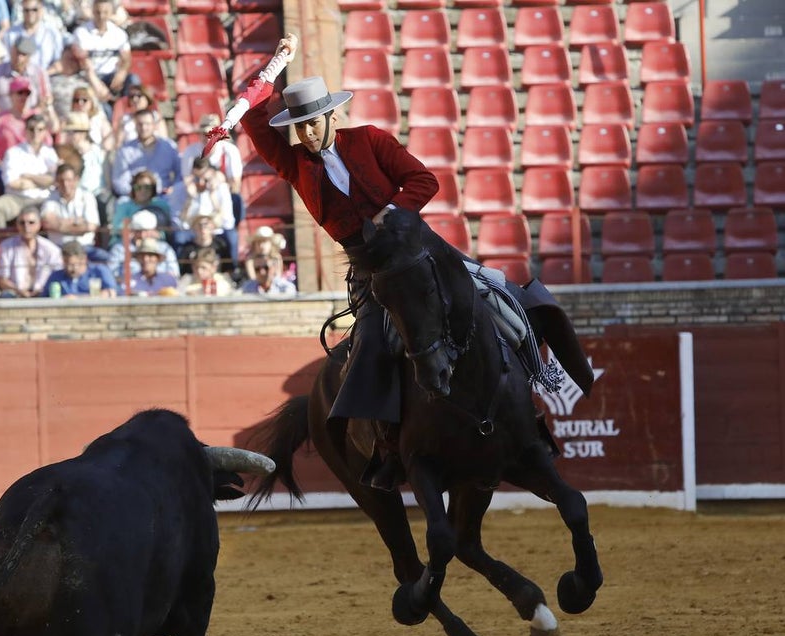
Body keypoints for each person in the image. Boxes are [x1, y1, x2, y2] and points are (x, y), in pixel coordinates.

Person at [232, 34, 591, 489]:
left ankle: (537, 387)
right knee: (369, 349)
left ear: (331, 116)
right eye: (297, 126)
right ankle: (387, 448)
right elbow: (256, 120)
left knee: (499, 290)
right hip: (370, 273)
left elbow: (424, 180)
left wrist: (393, 212)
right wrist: (269, 72)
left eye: (310, 123)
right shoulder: (293, 164)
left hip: (419, 250)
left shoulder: (369, 140)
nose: (304, 133)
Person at [0, 114, 60, 230]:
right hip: (17, 199)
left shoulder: (50, 153)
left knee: (58, 206)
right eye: (31, 129)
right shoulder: (13, 153)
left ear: (45, 132)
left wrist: (28, 176)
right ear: (25, 131)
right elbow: (11, 183)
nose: (35, 133)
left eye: (40, 129)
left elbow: (55, 180)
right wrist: (43, 181)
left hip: (44, 199)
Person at [67, 0, 135, 113]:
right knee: (103, 106)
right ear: (93, 12)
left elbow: (126, 59)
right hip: (90, 77)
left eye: (105, 12)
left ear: (111, 13)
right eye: (98, 12)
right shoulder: (81, 33)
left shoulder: (119, 33)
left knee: (133, 80)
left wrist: (121, 73)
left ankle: (130, 115)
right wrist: (97, 84)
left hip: (112, 75)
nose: (101, 16)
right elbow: (84, 63)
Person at [110, 107, 181, 198]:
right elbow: (119, 180)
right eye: (140, 124)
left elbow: (180, 173)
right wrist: (136, 194)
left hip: (164, 197)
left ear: (154, 125)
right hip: (134, 198)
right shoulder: (125, 151)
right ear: (135, 126)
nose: (144, 127)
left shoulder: (169, 147)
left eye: (147, 124)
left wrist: (174, 188)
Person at [167, 156, 235, 249]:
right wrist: (189, 199)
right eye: (197, 179)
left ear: (212, 174)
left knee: (232, 237)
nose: (201, 183)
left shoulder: (222, 189)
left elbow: (228, 222)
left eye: (206, 179)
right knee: (179, 237)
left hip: (215, 231)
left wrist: (213, 198)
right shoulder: (179, 190)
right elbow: (179, 224)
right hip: (191, 232)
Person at [0, 205, 62, 297]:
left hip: (44, 293)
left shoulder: (51, 249)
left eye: (31, 222)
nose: (26, 227)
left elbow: (58, 275)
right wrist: (19, 291)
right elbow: (2, 279)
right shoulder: (6, 247)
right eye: (22, 223)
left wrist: (42, 290)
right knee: (6, 295)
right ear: (17, 225)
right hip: (15, 293)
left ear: (39, 225)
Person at [0, 36, 54, 118]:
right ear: (12, 51)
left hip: (31, 120)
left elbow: (45, 100)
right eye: (17, 52)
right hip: (1, 119)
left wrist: (30, 115)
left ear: (29, 56)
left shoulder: (39, 73)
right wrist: (7, 117)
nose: (19, 58)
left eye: (23, 54)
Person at [106, 207, 179, 280]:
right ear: (133, 232)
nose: (143, 235)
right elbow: (111, 275)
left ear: (154, 231)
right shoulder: (120, 249)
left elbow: (174, 274)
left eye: (146, 231)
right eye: (139, 231)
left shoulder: (165, 249)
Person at [40, 163, 99, 250]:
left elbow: (91, 227)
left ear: (76, 180)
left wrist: (59, 224)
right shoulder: (50, 197)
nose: (65, 184)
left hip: (84, 248)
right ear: (56, 181)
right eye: (61, 181)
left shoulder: (87, 196)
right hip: (57, 249)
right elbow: (47, 224)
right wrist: (77, 222)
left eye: (69, 180)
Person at [3, 0, 67, 75]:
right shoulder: (10, 34)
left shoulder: (52, 33)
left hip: (47, 78)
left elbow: (58, 63)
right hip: (16, 79)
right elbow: (5, 62)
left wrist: (41, 77)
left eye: (34, 10)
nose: (30, 13)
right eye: (26, 10)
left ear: (42, 9)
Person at [41, 240, 117, 297]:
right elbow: (45, 298)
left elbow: (111, 293)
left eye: (74, 264)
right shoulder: (56, 277)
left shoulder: (99, 271)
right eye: (66, 264)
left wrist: (78, 299)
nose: (70, 269)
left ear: (84, 259)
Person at [177, 213, 235, 280]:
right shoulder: (187, 248)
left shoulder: (221, 245)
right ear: (194, 227)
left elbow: (228, 269)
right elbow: (182, 272)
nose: (202, 228)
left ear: (213, 227)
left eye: (206, 224)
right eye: (199, 225)